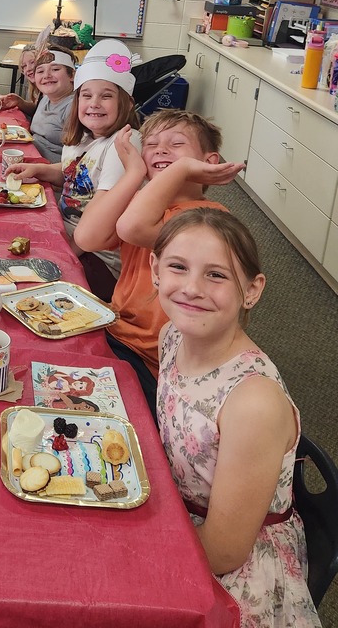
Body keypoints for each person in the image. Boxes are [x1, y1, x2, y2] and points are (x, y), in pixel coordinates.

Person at [152, 208, 321, 628]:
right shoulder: (172, 336)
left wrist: (140, 545)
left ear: (251, 289)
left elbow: (224, 552)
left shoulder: (252, 404)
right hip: (177, 510)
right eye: (178, 267)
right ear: (155, 270)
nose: (192, 288)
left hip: (234, 567)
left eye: (216, 275)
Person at [73, 109, 243, 414]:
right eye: (150, 145)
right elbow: (87, 238)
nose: (161, 150)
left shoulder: (208, 221)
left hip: (156, 360)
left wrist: (181, 170)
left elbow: (131, 228)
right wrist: (133, 174)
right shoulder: (145, 206)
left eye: (176, 144)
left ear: (208, 162)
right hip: (118, 333)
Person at [7, 40, 142, 298]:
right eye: (87, 95)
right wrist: (38, 170)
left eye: (106, 96)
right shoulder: (83, 138)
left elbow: (99, 220)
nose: (94, 103)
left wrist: (62, 252)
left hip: (98, 259)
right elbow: (74, 173)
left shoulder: (124, 143)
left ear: (127, 103)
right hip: (65, 230)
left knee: (21, 286)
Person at [25, 46, 76, 162]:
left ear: (72, 75)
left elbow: (75, 159)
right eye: (40, 71)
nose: (46, 75)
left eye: (55, 69)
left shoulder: (73, 107)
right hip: (32, 156)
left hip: (49, 167)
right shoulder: (46, 97)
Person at [0, 44, 40, 115]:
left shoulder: (50, 92)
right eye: (24, 66)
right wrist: (19, 102)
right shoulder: (40, 92)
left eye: (32, 62)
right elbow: (37, 110)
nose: (28, 69)